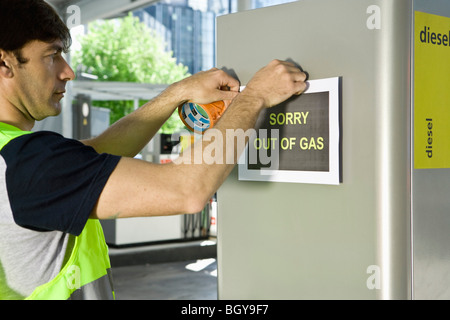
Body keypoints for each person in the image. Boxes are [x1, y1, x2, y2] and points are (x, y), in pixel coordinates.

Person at [0, 0, 307, 300]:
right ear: (5, 63)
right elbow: (187, 189)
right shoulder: (26, 161)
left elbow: (96, 153)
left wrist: (179, 92)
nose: (68, 71)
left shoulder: (13, 153)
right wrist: (254, 97)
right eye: (52, 55)